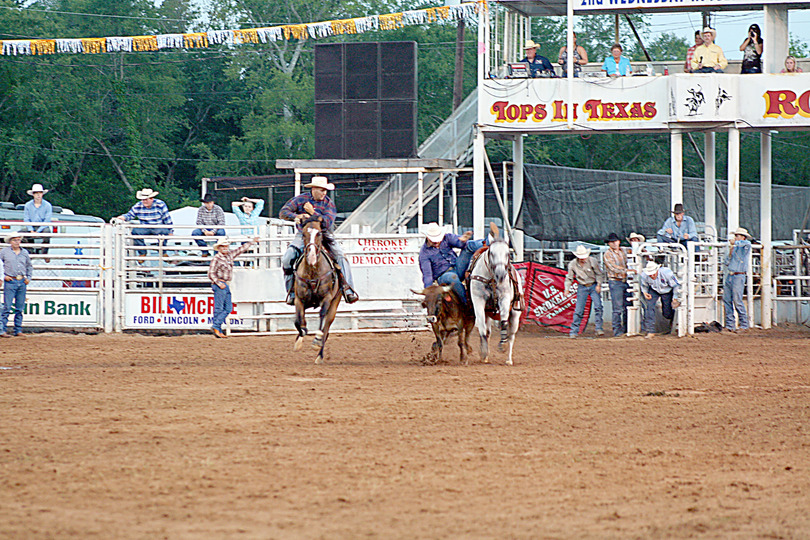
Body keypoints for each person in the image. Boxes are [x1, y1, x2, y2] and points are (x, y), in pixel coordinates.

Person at [279, 176, 358, 305]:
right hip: (303, 235)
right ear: (314, 189)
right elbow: (283, 212)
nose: (324, 193)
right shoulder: (300, 199)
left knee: (340, 255)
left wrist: (313, 212)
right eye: (321, 190)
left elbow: (326, 223)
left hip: (323, 234)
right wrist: (296, 216)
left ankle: (347, 288)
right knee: (287, 258)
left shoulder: (328, 203)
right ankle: (291, 292)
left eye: (325, 190)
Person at [418, 222, 493, 305]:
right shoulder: (424, 254)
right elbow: (427, 275)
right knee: (452, 277)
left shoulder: (447, 238)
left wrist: (463, 240)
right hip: (443, 275)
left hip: (457, 267)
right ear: (428, 238)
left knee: (468, 246)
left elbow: (460, 243)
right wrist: (428, 291)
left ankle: (488, 242)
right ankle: (466, 302)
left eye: (438, 239)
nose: (437, 243)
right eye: (434, 240)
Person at [207, 236, 259, 339]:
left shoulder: (229, 256)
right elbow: (211, 273)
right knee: (221, 308)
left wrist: (251, 242)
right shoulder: (217, 258)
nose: (225, 248)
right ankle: (216, 327)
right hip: (220, 284)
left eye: (226, 246)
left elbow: (240, 250)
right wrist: (218, 283)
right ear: (219, 248)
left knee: (227, 308)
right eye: (223, 246)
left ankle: (216, 327)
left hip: (224, 284)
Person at [116, 188, 173, 259]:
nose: (144, 201)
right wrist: (123, 217)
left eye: (146, 199)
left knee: (164, 232)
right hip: (144, 227)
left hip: (158, 226)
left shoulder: (160, 204)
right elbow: (130, 214)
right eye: (143, 200)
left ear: (151, 198)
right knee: (135, 232)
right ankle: (142, 252)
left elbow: (166, 218)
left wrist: (170, 230)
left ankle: (162, 251)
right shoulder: (138, 205)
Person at [564, 245, 604, 338]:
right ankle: (574, 331)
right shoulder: (573, 264)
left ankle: (598, 328)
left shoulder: (592, 261)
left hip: (593, 285)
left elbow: (599, 273)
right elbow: (569, 278)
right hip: (582, 286)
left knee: (598, 307)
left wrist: (598, 284)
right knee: (579, 310)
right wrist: (567, 289)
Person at [1, 232, 33, 338]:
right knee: (7, 306)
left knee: (19, 307)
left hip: (21, 280)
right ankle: (2, 329)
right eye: (15, 240)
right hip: (10, 280)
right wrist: (3, 276)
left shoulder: (24, 253)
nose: (17, 242)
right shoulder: (4, 252)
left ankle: (17, 329)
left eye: (19, 240)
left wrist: (28, 277)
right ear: (10, 241)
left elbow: (29, 266)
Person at [639, 261, 681, 338]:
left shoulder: (667, 273)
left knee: (667, 311)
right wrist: (645, 292)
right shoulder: (644, 275)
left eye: (653, 273)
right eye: (650, 274)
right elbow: (644, 285)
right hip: (653, 290)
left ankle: (671, 321)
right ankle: (650, 330)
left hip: (667, 290)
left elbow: (676, 285)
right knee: (649, 307)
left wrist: (675, 298)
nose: (651, 275)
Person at [723, 227, 752, 333]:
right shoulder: (735, 247)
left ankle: (744, 325)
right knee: (727, 299)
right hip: (731, 275)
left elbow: (747, 244)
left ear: (743, 237)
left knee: (737, 300)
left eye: (737, 236)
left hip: (738, 275)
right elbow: (726, 262)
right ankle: (730, 325)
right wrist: (731, 252)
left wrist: (735, 243)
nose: (735, 237)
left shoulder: (745, 245)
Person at [603, 233, 631, 336]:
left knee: (627, 306)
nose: (614, 243)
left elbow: (635, 251)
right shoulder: (607, 254)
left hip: (624, 280)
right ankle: (617, 331)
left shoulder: (623, 250)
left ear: (618, 241)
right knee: (618, 308)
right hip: (615, 281)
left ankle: (626, 328)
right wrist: (627, 270)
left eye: (615, 241)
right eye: (612, 242)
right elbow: (612, 267)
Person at [22, 183, 53, 260]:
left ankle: (44, 253)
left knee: (47, 233)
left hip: (43, 226)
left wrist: (38, 231)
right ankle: (31, 251)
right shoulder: (28, 205)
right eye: (36, 193)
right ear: (33, 194)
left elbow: (47, 220)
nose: (38, 195)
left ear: (42, 194)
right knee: (20, 235)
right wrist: (31, 230)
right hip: (31, 226)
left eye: (40, 193)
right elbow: (26, 219)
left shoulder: (48, 205)